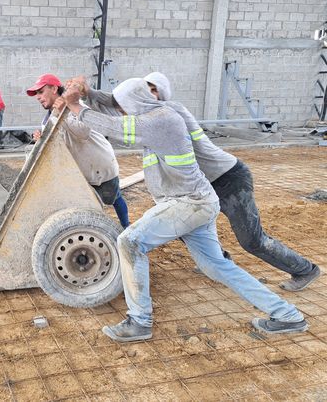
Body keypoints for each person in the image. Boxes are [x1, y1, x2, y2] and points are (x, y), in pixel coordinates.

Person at [57, 78, 307, 341]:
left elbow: (113, 125)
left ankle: (139, 321)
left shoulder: (160, 120)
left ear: (136, 102)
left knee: (130, 241)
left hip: (188, 203)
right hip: (196, 201)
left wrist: (75, 105)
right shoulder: (154, 113)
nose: (120, 110)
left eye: (123, 106)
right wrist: (88, 93)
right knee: (216, 266)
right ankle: (287, 315)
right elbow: (112, 107)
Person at [80, 72, 320, 292]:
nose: (150, 94)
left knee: (252, 240)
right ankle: (219, 261)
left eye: (154, 89)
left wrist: (82, 101)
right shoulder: (149, 114)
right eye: (146, 89)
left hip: (228, 180)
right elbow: (117, 104)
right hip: (197, 187)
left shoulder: (169, 113)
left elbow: (116, 120)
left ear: (162, 94)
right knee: (180, 224)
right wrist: (88, 93)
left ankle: (305, 270)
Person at [26, 73, 129, 227]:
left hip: (101, 165)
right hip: (82, 172)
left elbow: (83, 132)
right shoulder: (47, 119)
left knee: (114, 198)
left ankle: (126, 226)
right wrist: (41, 138)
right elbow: (56, 145)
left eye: (41, 92)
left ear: (54, 89)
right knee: (91, 207)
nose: (38, 97)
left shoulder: (77, 106)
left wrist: (63, 111)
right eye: (36, 94)